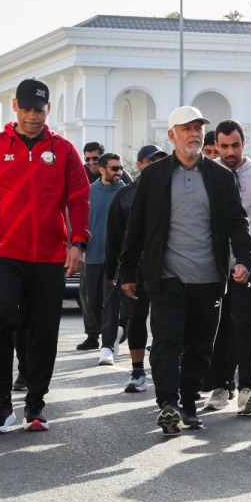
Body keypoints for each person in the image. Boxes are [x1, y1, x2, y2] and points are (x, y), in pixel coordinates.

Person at [0, 79, 89, 433]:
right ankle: (1, 406)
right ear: (15, 106)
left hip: (47, 257)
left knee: (42, 331)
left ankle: (36, 404)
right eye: (26, 109)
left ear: (48, 111)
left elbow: (79, 197)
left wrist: (78, 243)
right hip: (2, 254)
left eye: (38, 110)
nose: (32, 116)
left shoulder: (64, 150)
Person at [118, 106, 251, 436]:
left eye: (197, 127)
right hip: (166, 277)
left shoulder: (221, 177)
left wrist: (244, 260)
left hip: (209, 278)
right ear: (171, 135)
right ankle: (168, 403)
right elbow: (136, 226)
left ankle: (189, 405)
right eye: (187, 128)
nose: (194, 133)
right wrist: (127, 270)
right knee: (166, 340)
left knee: (199, 345)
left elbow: (238, 221)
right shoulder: (154, 175)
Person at [201, 120, 251, 415]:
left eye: (235, 145)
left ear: (244, 143)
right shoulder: (207, 175)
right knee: (218, 327)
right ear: (216, 147)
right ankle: (220, 386)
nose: (230, 151)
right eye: (224, 146)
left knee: (245, 322)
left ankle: (247, 387)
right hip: (213, 266)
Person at [105, 144, 167, 393]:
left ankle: (167, 367)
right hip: (135, 270)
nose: (156, 165)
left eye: (160, 161)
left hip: (166, 267)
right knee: (137, 319)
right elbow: (114, 237)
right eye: (151, 161)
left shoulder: (169, 190)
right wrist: (113, 272)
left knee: (165, 321)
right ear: (140, 164)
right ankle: (138, 370)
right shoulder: (125, 195)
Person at [80, 153, 126, 363]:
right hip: (92, 257)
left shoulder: (125, 192)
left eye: (120, 168)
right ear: (101, 169)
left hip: (115, 260)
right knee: (93, 301)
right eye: (114, 168)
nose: (119, 172)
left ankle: (107, 346)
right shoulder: (88, 192)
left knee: (111, 301)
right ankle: (111, 330)